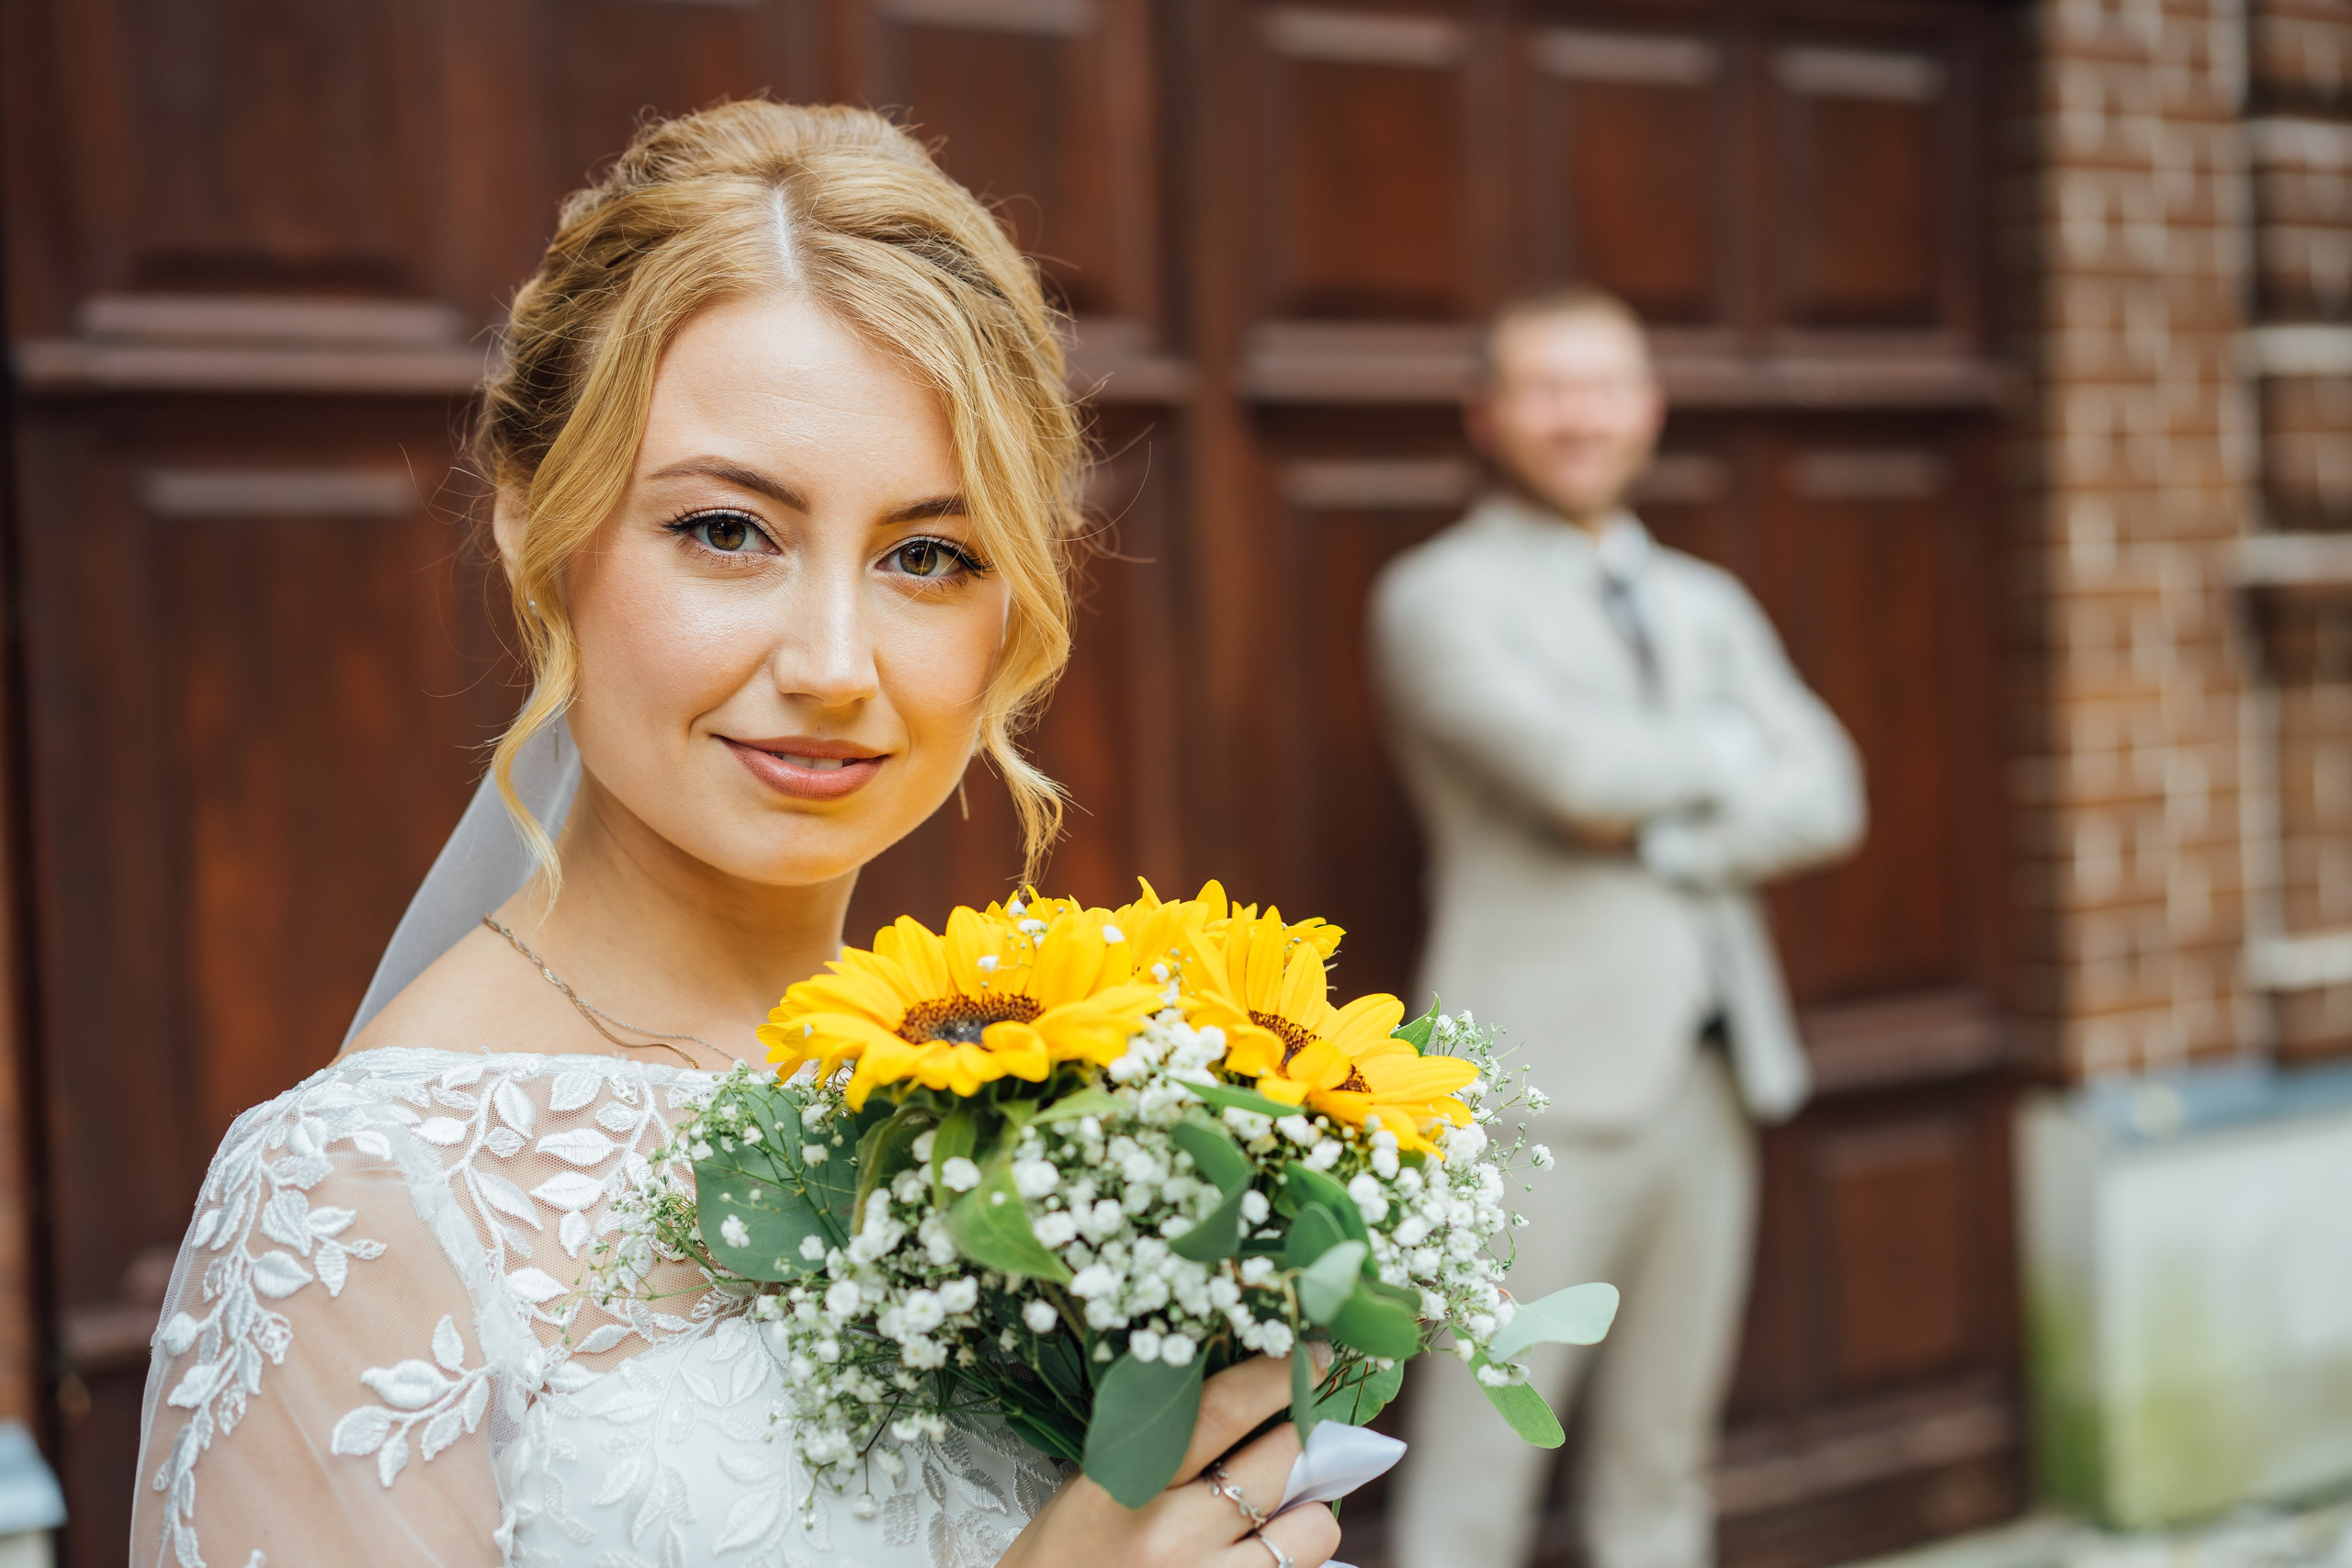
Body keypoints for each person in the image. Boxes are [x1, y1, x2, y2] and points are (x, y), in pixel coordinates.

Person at [130, 101, 1340, 1568]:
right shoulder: (354, 1192)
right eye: (726, 531)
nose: (833, 664)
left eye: (928, 555)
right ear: (532, 521)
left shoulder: (1050, 1103)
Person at [1372, 288, 1865, 1568]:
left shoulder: (1706, 601)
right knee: (1483, 1459)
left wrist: (1676, 835)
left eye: (1604, 386)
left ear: (1648, 408)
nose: (1580, 416)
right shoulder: (1438, 597)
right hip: (1530, 1090)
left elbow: (1830, 791)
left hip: (1714, 1069)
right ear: (1487, 416)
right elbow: (1577, 778)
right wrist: (1729, 751)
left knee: (1666, 1456)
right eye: (1547, 388)